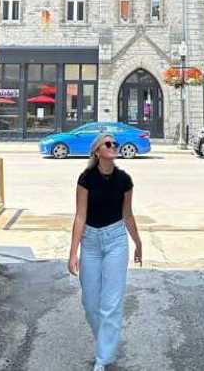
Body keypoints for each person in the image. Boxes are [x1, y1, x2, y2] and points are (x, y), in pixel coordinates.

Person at [68, 133, 143, 370]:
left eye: (115, 144)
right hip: (90, 242)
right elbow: (80, 216)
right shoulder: (86, 179)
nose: (113, 146)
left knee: (111, 304)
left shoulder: (124, 180)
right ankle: (106, 342)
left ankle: (102, 359)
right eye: (108, 144)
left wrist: (138, 243)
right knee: (90, 303)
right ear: (97, 151)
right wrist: (73, 252)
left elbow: (127, 215)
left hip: (116, 241)